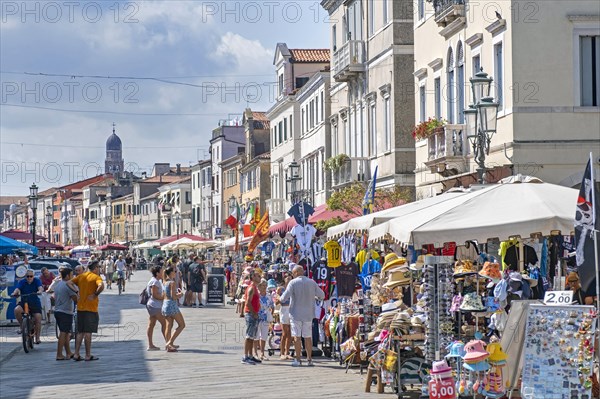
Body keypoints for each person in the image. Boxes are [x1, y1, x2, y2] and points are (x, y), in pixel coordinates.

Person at [280, 265, 325, 367]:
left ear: (295, 273)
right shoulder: (312, 282)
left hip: (295, 313)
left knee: (297, 337)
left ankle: (298, 360)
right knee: (308, 337)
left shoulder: (293, 283)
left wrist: (279, 297)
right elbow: (322, 295)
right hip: (308, 314)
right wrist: (313, 297)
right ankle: (309, 360)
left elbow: (283, 298)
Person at [67, 260, 104, 361]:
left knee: (80, 332)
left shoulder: (81, 276)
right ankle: (88, 355)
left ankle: (76, 354)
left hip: (80, 308)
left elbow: (69, 283)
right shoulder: (96, 277)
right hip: (91, 308)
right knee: (88, 332)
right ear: (95, 268)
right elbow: (101, 286)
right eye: (98, 268)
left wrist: (76, 291)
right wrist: (95, 294)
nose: (99, 269)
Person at [53, 267, 78, 360]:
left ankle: (68, 353)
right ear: (67, 276)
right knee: (63, 333)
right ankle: (59, 354)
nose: (73, 276)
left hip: (58, 311)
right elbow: (75, 299)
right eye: (72, 275)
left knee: (66, 333)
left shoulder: (59, 284)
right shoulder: (68, 285)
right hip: (65, 312)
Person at [12, 271, 44, 344]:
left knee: (38, 318)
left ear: (33, 276)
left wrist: (39, 291)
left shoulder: (37, 280)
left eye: (31, 276)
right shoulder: (22, 282)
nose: (29, 278)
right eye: (28, 276)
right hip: (24, 301)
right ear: (25, 276)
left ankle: (37, 337)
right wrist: (15, 293)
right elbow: (17, 289)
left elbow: (40, 287)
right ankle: (21, 326)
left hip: (34, 302)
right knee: (17, 310)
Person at [241, 268, 262, 365]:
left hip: (253, 313)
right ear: (253, 277)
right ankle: (245, 356)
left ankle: (250, 355)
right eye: (258, 276)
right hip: (250, 314)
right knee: (249, 336)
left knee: (252, 336)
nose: (260, 277)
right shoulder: (251, 288)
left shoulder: (254, 287)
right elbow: (248, 302)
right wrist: (253, 313)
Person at [162, 267, 185, 352]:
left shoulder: (164, 282)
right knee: (182, 325)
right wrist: (180, 295)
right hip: (172, 305)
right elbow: (173, 296)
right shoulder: (172, 282)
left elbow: (165, 295)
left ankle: (169, 346)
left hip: (165, 304)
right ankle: (169, 342)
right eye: (174, 271)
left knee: (168, 326)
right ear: (171, 273)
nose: (175, 273)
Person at [146, 265, 166, 351]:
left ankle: (150, 345)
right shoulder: (155, 282)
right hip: (155, 305)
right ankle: (168, 343)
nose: (163, 273)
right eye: (161, 271)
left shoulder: (155, 280)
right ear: (157, 273)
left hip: (152, 305)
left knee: (151, 324)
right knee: (165, 323)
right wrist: (164, 297)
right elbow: (155, 295)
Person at [275, 273, 293, 360]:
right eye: (286, 278)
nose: (288, 279)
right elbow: (276, 302)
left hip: (292, 310)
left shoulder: (293, 288)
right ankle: (282, 352)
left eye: (290, 278)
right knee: (285, 333)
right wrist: (279, 298)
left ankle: (287, 352)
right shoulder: (280, 289)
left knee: (290, 334)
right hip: (284, 310)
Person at [255, 279, 274, 361]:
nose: (264, 287)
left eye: (265, 285)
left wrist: (270, 315)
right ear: (259, 287)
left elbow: (272, 306)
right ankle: (255, 353)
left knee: (264, 336)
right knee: (255, 336)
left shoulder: (268, 296)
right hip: (256, 318)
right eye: (262, 285)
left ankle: (262, 353)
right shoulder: (256, 295)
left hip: (265, 318)